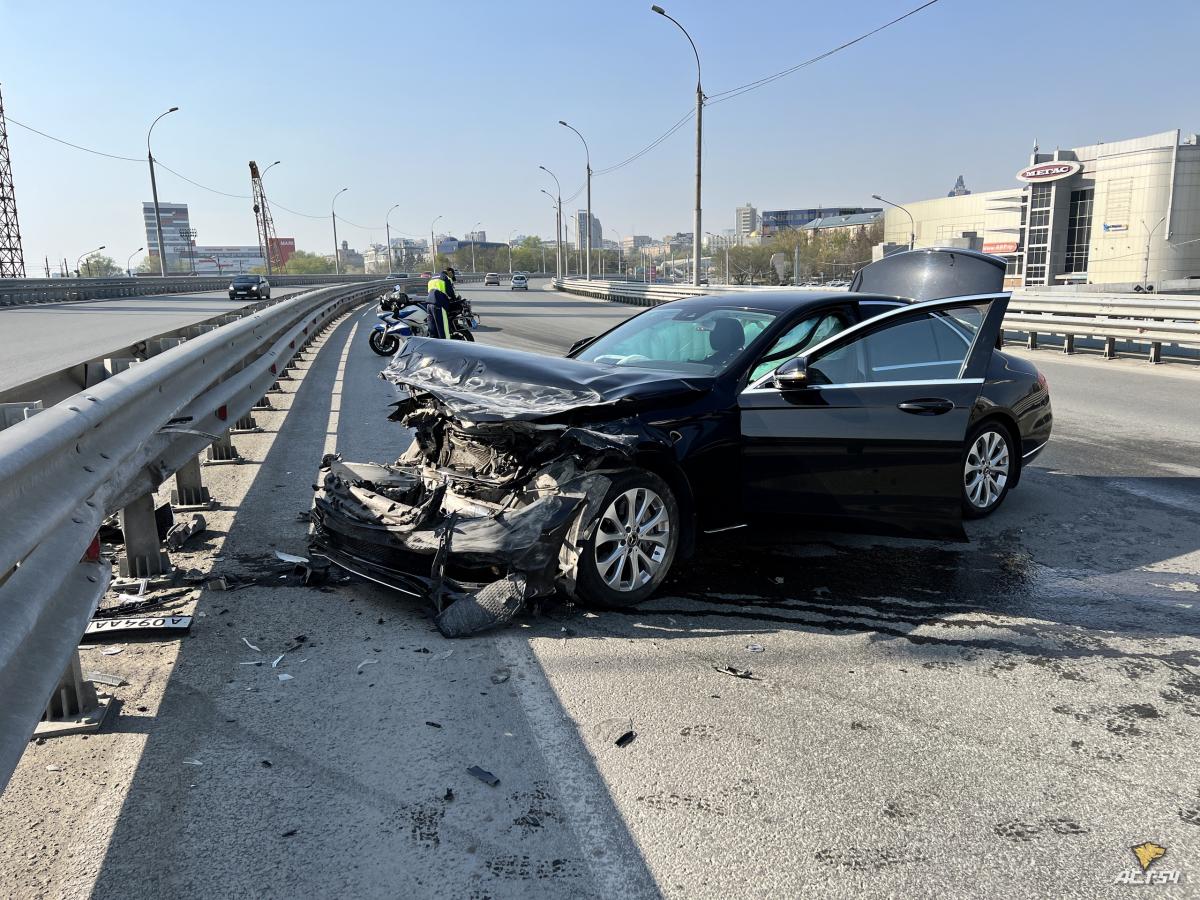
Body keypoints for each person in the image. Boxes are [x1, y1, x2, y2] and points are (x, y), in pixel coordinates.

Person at [426, 267, 459, 339]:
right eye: (452, 275)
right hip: (439, 305)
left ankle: (434, 348)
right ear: (450, 272)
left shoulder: (433, 277)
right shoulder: (445, 277)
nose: (452, 277)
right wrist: (455, 300)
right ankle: (446, 348)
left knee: (433, 331)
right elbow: (451, 293)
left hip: (429, 304)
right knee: (443, 331)